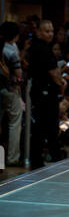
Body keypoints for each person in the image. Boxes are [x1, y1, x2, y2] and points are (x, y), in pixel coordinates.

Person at [28, 20, 67, 168]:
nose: (50, 34)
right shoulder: (42, 48)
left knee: (44, 127)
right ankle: (52, 157)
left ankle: (42, 158)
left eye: (51, 31)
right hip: (44, 93)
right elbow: (54, 74)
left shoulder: (40, 47)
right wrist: (61, 82)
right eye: (46, 31)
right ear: (38, 32)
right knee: (47, 126)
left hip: (43, 92)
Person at [0, 22, 24, 166]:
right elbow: (18, 72)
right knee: (14, 124)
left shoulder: (4, 48)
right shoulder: (10, 51)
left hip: (3, 88)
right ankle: (12, 157)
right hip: (10, 89)